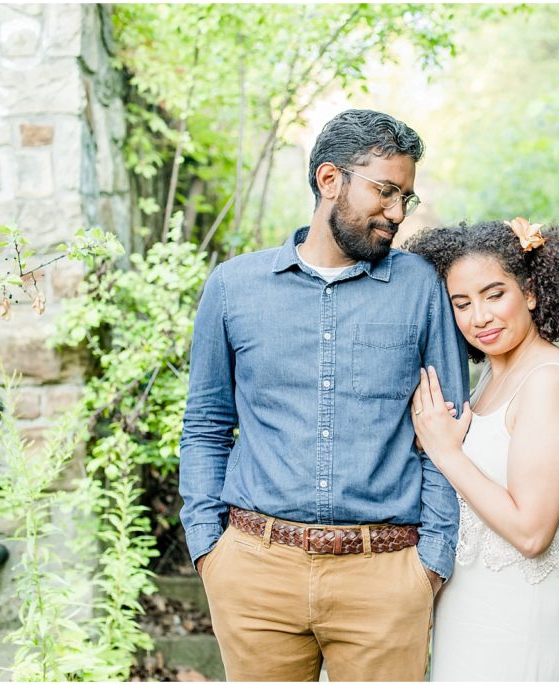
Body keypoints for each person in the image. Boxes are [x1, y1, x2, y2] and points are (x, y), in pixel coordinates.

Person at [178, 109, 469, 682]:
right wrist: (209, 547)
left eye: (406, 197)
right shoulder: (233, 288)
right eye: (385, 191)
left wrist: (431, 561)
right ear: (329, 179)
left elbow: (449, 429)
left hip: (386, 575)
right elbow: (207, 426)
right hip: (254, 572)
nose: (397, 213)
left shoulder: (423, 288)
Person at [404, 217, 559, 681]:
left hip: (529, 619)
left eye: (495, 295)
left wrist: (446, 453)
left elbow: (532, 533)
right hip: (474, 612)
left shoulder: (548, 382)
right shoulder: (494, 377)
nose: (480, 317)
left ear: (530, 292)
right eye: (462, 303)